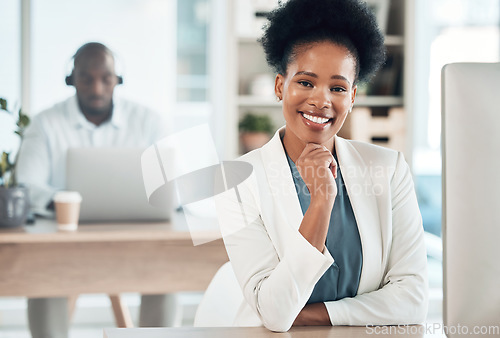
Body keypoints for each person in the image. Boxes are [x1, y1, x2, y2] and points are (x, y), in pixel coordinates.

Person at [214, 0, 428, 332]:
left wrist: (312, 314)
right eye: (305, 82)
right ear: (280, 86)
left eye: (338, 88)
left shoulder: (389, 168)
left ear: (353, 96)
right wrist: (322, 201)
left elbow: (413, 299)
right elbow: (273, 312)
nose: (321, 100)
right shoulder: (236, 182)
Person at [16, 42, 176, 338]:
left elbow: (169, 185)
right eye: (86, 78)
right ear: (71, 79)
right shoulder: (45, 123)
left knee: (165, 272)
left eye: (106, 78)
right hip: (63, 244)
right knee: (42, 274)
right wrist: (64, 204)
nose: (97, 88)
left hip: (136, 241)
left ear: (118, 79)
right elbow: (27, 184)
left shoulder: (149, 122)